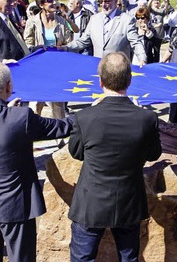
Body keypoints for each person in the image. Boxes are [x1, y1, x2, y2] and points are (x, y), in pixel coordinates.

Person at [0, 62, 73, 262]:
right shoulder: (22, 118)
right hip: (16, 204)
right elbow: (62, 127)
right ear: (9, 87)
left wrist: (7, 110)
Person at [68, 52, 161, 262]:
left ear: (100, 81)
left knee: (82, 258)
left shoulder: (85, 117)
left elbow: (76, 152)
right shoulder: (147, 118)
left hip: (91, 201)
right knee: (129, 258)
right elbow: (154, 153)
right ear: (129, 80)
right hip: (129, 200)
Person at [23, 0, 74, 120]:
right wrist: (39, 48)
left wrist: (62, 48)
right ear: (41, 4)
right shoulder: (32, 21)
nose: (54, 3)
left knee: (58, 103)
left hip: (57, 67)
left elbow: (69, 43)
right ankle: (32, 132)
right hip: (38, 67)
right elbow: (27, 43)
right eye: (50, 0)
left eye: (55, 0)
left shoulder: (61, 21)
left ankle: (60, 135)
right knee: (36, 102)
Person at [64, 0, 146, 65]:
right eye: (101, 1)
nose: (103, 4)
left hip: (119, 70)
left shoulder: (127, 20)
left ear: (116, 1)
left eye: (107, 1)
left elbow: (136, 42)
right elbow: (83, 41)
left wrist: (142, 59)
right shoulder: (94, 19)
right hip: (98, 68)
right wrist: (65, 48)